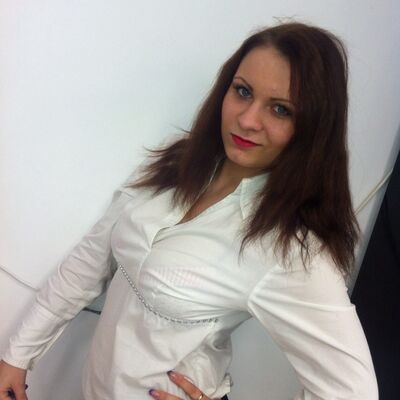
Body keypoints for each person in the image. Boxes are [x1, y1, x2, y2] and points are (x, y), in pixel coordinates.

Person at [0, 21, 378, 400]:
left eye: (280, 109)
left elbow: (353, 392)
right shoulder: (175, 163)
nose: (248, 120)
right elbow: (86, 266)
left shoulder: (290, 249)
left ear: (312, 127)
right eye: (243, 91)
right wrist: (17, 356)